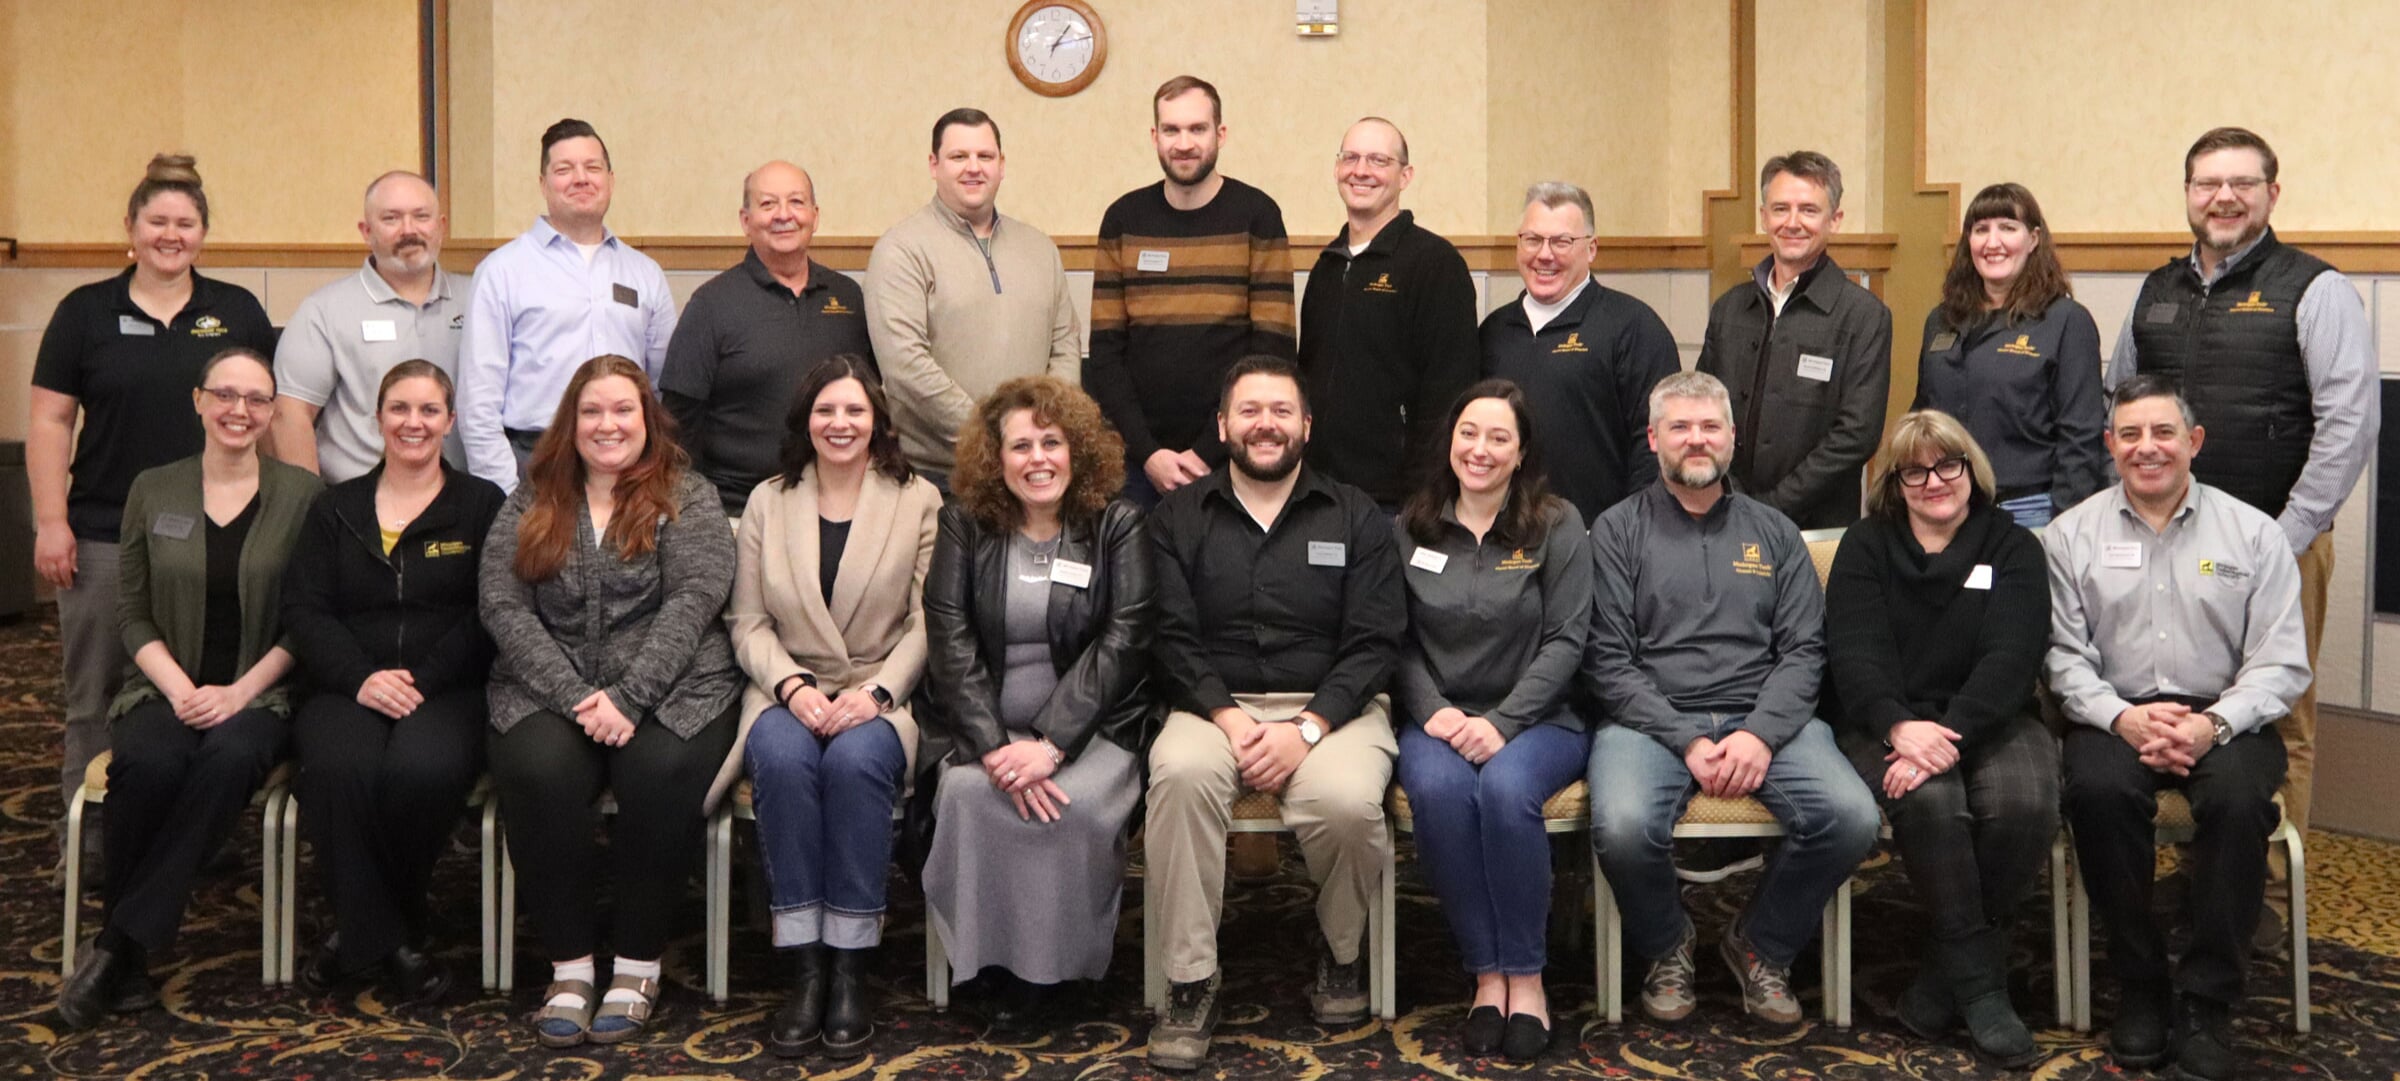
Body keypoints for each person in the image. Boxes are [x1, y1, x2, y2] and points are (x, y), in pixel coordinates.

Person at [2107, 127, 2378, 940]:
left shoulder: (2316, 289)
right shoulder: (2155, 290)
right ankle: (2190, 871)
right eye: (2206, 183)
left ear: (2272, 193)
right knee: (2170, 697)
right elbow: (2118, 403)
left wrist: (2287, 537)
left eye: (2241, 183)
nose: (2223, 197)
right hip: (2159, 541)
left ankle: (2251, 891)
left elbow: (2348, 425)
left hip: (2277, 544)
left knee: (2276, 712)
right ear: (2186, 192)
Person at [1583, 370, 1879, 1028]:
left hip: (1766, 715)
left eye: (1710, 426)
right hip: (1651, 721)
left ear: (1733, 437)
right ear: (1654, 437)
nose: (1696, 439)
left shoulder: (1775, 532)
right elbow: (1607, 659)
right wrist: (1684, 737)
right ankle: (1667, 945)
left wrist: (1759, 734)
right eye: (1681, 427)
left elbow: (1805, 649)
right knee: (1623, 826)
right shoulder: (1616, 530)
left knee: (1851, 815)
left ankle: (1761, 942)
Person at [1143, 355, 1404, 1072]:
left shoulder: (1355, 516)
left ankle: (1341, 949)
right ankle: (1191, 978)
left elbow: (1375, 639)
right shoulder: (1176, 517)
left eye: (1282, 411)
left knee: (1349, 801)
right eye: (1250, 410)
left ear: (1307, 426)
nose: (1266, 424)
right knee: (1180, 775)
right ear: (1223, 424)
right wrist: (1227, 718)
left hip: (1334, 705)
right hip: (1211, 702)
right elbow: (1168, 633)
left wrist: (1309, 727)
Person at [2046, 375, 2309, 1081]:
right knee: (2096, 793)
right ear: (2110, 446)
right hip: (2115, 712)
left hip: (2225, 714)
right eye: (2129, 434)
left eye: (2162, 432)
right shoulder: (2070, 535)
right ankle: (2140, 983)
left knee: (2237, 802)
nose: (2147, 448)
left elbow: (2282, 664)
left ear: (2193, 442)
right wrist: (2123, 718)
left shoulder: (2254, 533)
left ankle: (2207, 1001)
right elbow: (2062, 656)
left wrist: (2212, 724)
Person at [54, 348, 323, 1029]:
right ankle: (133, 952)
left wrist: (237, 692)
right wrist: (178, 688)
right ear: (198, 400)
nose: (240, 409)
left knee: (231, 758)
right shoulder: (154, 487)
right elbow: (132, 610)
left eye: (257, 398)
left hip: (260, 692)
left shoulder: (301, 494)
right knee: (147, 762)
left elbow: (308, 616)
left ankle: (120, 945)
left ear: (270, 412)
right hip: (162, 686)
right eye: (225, 394)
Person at [480, 355, 741, 1048]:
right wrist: (576, 697)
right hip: (547, 687)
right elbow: (503, 606)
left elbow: (696, 600)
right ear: (571, 421)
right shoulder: (530, 496)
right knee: (539, 771)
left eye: (623, 409)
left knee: (656, 774)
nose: (607, 424)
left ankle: (636, 965)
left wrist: (628, 697)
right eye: (592, 411)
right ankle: (569, 967)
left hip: (676, 686)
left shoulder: (689, 493)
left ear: (648, 420)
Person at [30, 155, 275, 861]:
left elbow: (274, 411)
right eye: (157, 221)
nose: (172, 234)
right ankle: (92, 841)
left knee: (211, 680)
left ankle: (199, 829)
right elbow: (50, 421)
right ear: (131, 229)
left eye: (186, 223)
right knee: (98, 691)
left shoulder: (235, 310)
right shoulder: (85, 311)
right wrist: (52, 519)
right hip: (106, 530)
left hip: (224, 533)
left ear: (203, 233)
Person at [706, 355, 940, 1060]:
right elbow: (746, 621)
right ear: (805, 420)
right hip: (787, 687)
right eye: (825, 411)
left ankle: (850, 964)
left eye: (854, 411)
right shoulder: (770, 500)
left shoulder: (918, 499)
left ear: (878, 422)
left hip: (880, 688)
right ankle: (804, 962)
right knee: (778, 757)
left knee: (858, 763)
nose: (839, 424)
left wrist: (874, 694)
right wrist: (792, 687)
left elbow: (930, 623)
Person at [921, 376, 1157, 1031]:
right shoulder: (963, 524)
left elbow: (1125, 638)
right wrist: (995, 747)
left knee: (1069, 808)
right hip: (985, 729)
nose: (1037, 458)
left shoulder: (1118, 523)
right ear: (995, 459)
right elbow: (949, 635)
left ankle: (1059, 976)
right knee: (971, 796)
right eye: (1019, 445)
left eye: (1051, 441)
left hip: (1096, 729)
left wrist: (1051, 744)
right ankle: (989, 963)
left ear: (1077, 449)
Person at [1824, 410, 2052, 1065]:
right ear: (1895, 482)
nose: (1933, 481)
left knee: (2025, 802)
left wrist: (1944, 736)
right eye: (1914, 470)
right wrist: (1901, 726)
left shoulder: (2013, 547)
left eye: (1946, 463)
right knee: (1931, 803)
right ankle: (1982, 990)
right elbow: (1855, 653)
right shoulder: (1867, 545)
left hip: (1991, 716)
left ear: (1970, 469)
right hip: (1882, 721)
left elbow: (2013, 656)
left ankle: (1940, 973)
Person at [280, 360, 507, 1003]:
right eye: (400, 408)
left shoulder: (481, 505)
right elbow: (304, 609)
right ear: (376, 419)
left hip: (448, 689)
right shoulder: (335, 508)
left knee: (422, 773)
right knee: (335, 772)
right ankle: (394, 938)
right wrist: (361, 679)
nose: (414, 422)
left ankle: (358, 932)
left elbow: (490, 609)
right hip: (346, 686)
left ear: (450, 422)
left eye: (429, 410)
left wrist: (423, 680)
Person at [1391, 379, 1592, 1061]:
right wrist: (1437, 712)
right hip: (1439, 719)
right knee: (1442, 793)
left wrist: (1504, 721)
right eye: (1468, 432)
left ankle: (1527, 978)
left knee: (1506, 792)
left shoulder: (1557, 524)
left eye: (1498, 437)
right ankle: (1486, 974)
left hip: (1539, 719)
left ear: (1521, 450)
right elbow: (1396, 638)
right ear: (1449, 440)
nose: (1480, 449)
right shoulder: (1412, 524)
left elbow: (1568, 638)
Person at [1085, 75, 1295, 506]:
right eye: (1171, 130)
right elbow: (1105, 353)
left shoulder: (1257, 215)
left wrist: (1206, 451)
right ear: (1154, 136)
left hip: (1231, 458)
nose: (1184, 143)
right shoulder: (1123, 219)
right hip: (1137, 464)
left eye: (1197, 129)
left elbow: (1272, 352)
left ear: (1220, 134)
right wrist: (1149, 454)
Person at [459, 119, 677, 492]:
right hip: (535, 460)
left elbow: (663, 387)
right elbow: (479, 400)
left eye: (592, 168)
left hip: (626, 460)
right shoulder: (502, 271)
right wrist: (503, 491)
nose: (581, 179)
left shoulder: (645, 273)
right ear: (543, 184)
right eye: (564, 169)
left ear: (610, 180)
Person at [866, 108, 1081, 486]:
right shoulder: (901, 249)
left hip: (1032, 472)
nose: (973, 168)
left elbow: (1064, 344)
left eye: (985, 156)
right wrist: (992, 436)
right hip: (934, 477)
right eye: (958, 157)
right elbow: (905, 366)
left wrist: (1039, 431)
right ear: (934, 165)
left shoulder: (1039, 247)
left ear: (1001, 164)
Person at [661, 161, 877, 516]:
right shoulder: (711, 304)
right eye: (767, 204)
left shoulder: (849, 297)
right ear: (745, 220)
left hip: (837, 508)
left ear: (815, 215)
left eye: (796, 202)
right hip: (735, 510)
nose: (784, 215)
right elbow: (677, 424)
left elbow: (873, 402)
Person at [1696, 150, 1892, 529]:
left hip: (1817, 526)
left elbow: (1857, 435)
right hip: (1723, 515)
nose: (1793, 222)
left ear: (1835, 220)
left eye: (1808, 210)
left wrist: (1772, 508)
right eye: (1781, 208)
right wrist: (1730, 495)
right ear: (1764, 216)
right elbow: (1704, 410)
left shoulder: (1864, 316)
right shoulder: (1729, 309)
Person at [1297, 117, 1478, 508]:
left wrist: (1423, 495)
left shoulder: (1435, 264)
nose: (1361, 171)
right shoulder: (1326, 267)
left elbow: (1449, 393)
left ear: (1405, 176)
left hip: (1397, 500)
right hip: (1318, 490)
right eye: (1351, 158)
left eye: (1379, 160)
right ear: (1336, 169)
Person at [1480, 182, 1680, 523]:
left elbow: (1655, 447)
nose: (1545, 255)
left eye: (1562, 242)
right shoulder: (1493, 332)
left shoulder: (1634, 328)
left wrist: (1627, 533)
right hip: (1503, 536)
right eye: (1533, 239)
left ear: (1591, 249)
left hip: (1600, 540)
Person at [1912, 182, 2106, 526]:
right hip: (1945, 508)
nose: (1992, 242)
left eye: (2007, 228)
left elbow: (2080, 437)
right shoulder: (1940, 320)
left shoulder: (2065, 321)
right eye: (1980, 229)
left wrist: (2066, 526)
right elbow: (1923, 415)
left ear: (2033, 239)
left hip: (2030, 511)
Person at [271, 170, 471, 482]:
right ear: (366, 231)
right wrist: (312, 506)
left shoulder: (477, 299)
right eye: (391, 218)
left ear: (441, 227)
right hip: (356, 503)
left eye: (421, 216)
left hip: (462, 501)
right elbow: (290, 414)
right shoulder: (325, 311)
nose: (409, 230)